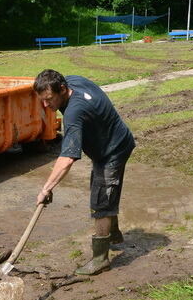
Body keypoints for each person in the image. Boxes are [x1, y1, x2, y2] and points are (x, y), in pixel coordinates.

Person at [33, 69, 135, 276]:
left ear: (62, 89)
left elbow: (68, 157)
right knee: (105, 191)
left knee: (101, 201)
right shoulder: (73, 81)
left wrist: (46, 188)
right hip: (115, 139)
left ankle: (100, 260)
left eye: (49, 99)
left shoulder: (74, 112)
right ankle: (114, 234)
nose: (46, 105)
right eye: (42, 100)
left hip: (112, 151)